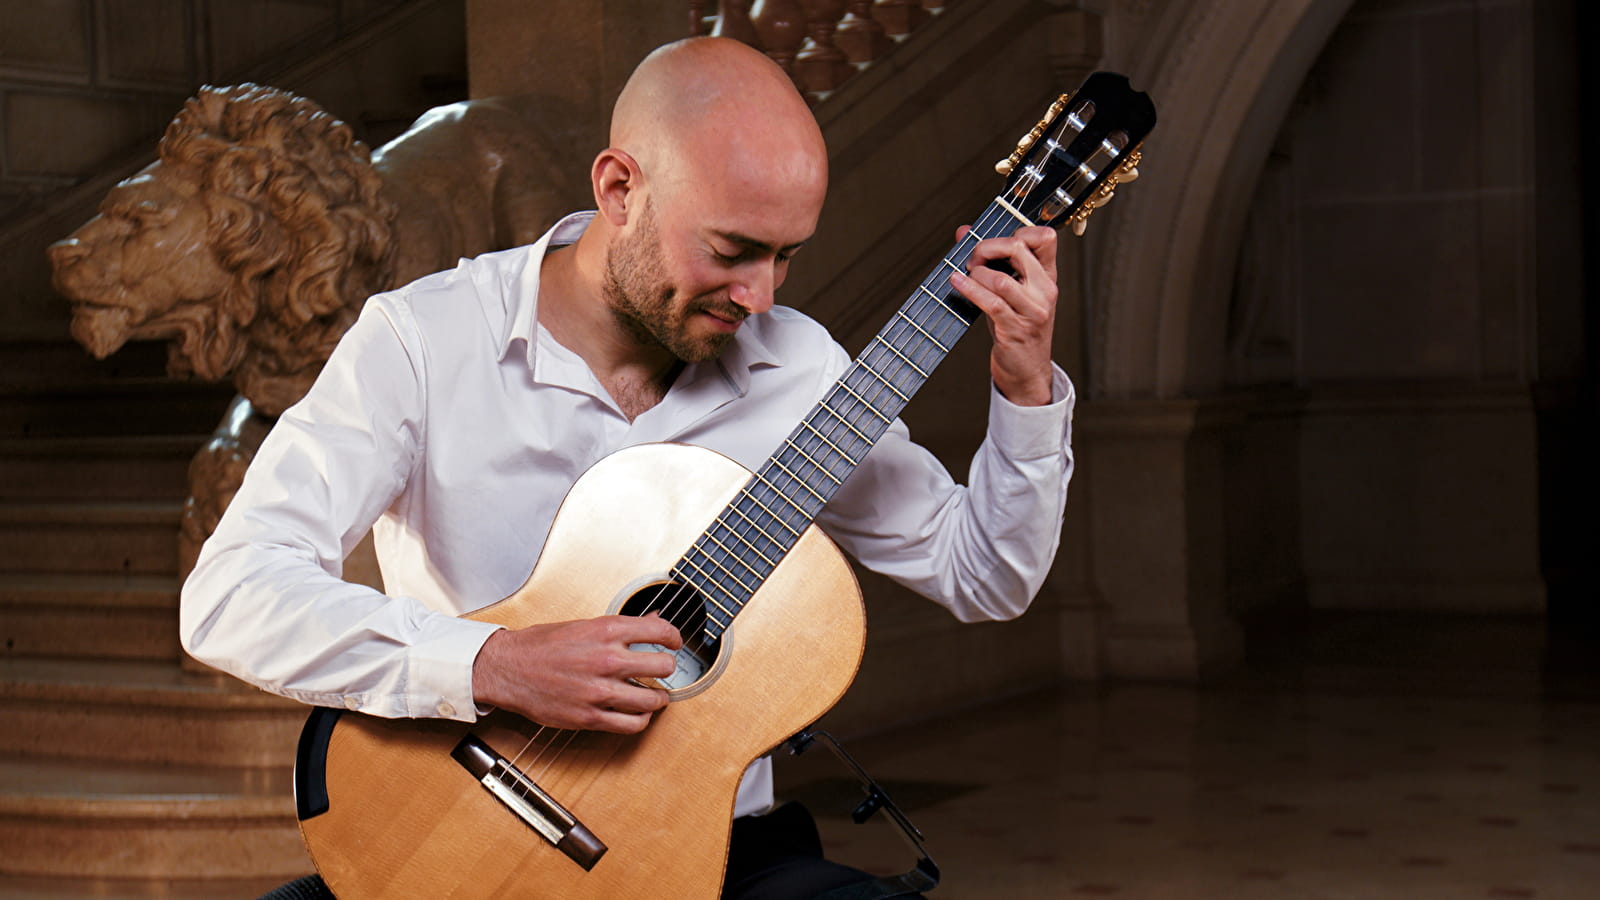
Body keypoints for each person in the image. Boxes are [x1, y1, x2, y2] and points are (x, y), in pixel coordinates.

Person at [182, 35, 1073, 900]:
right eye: (731, 251)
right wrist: (493, 661)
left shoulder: (800, 371)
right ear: (618, 189)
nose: (762, 295)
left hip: (720, 847)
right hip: (463, 822)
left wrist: (1024, 381)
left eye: (785, 255)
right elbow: (228, 593)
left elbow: (984, 575)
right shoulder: (423, 342)